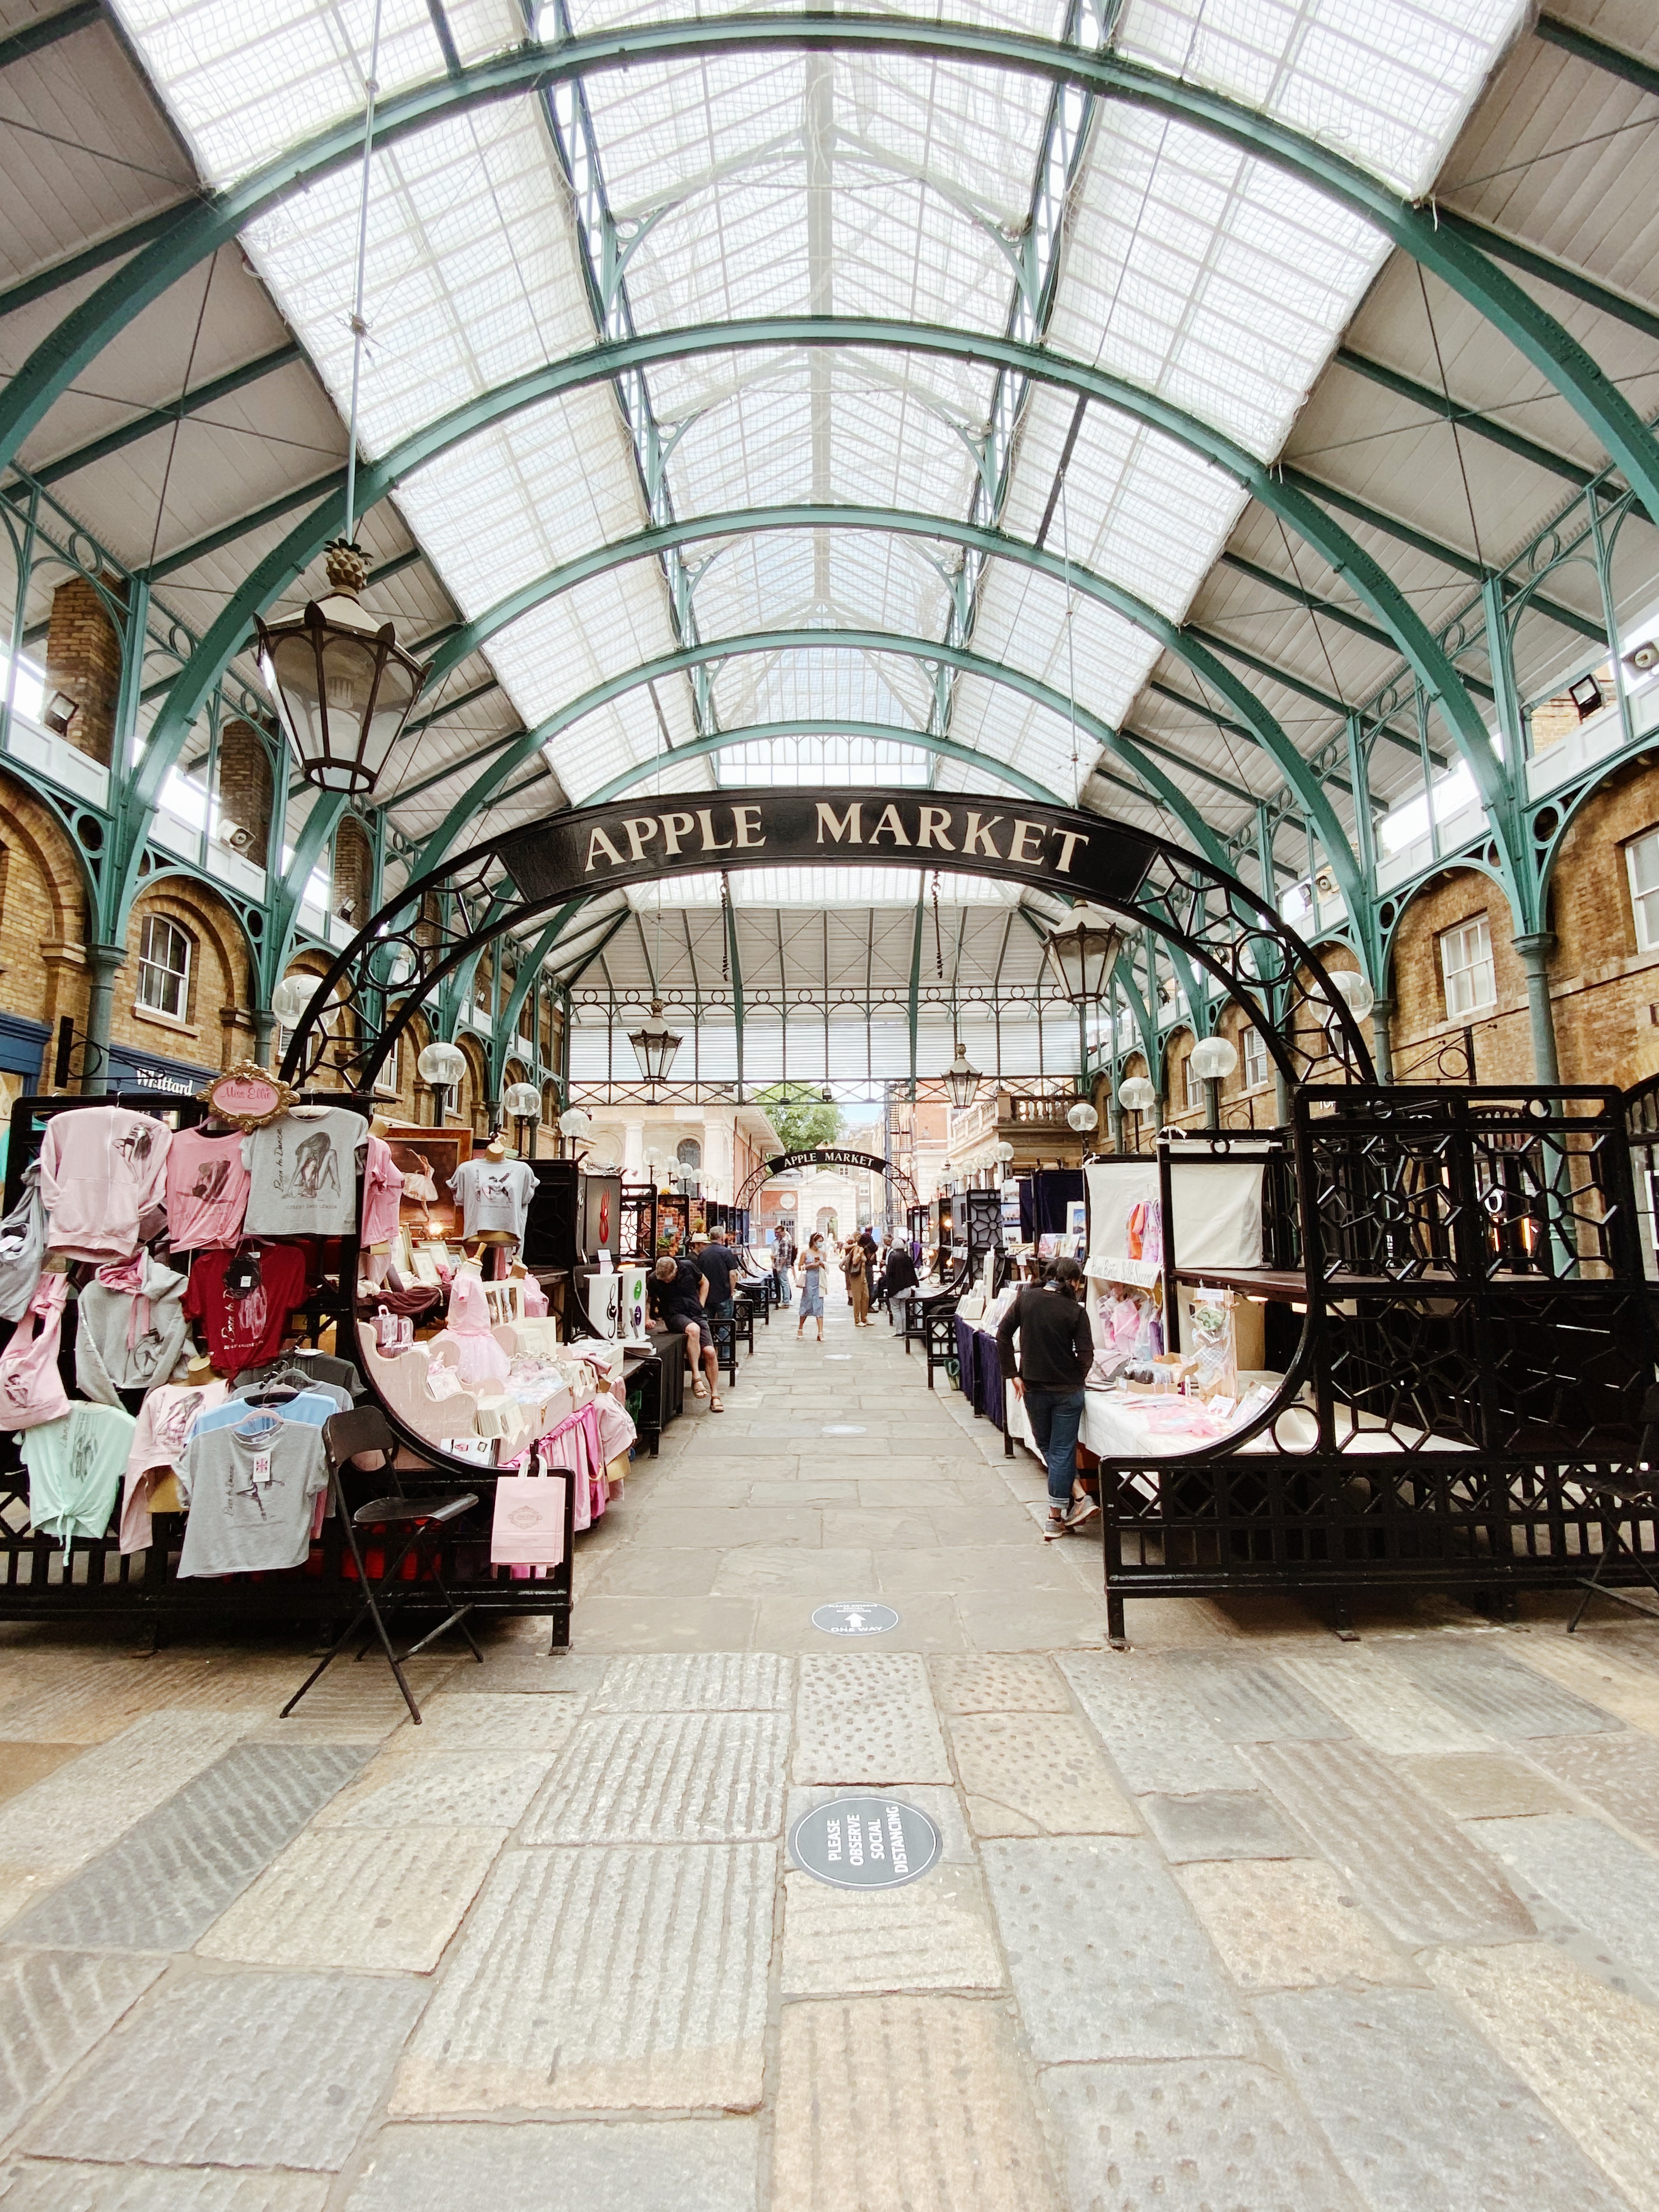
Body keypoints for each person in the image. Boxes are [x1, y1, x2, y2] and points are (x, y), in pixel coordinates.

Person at [996, 1254, 1096, 1534]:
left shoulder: (1027, 1299)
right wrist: (1076, 1376)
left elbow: (1002, 1335)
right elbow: (1086, 1354)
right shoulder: (1076, 1311)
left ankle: (1056, 1516)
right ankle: (1078, 1497)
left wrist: (1013, 1373)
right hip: (1067, 1390)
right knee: (1061, 1449)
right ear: (1074, 1281)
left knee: (1049, 1447)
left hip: (1033, 1386)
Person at [651, 1252, 723, 1410]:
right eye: (664, 1281)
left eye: (669, 1279)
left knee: (710, 1352)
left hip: (695, 1312)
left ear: (676, 1270)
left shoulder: (688, 1267)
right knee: (693, 1329)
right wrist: (645, 1319)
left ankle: (715, 1395)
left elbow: (705, 1282)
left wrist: (701, 1304)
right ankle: (696, 1377)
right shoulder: (654, 1279)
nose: (667, 1282)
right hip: (674, 1315)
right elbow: (646, 1296)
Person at [692, 1230, 740, 1322]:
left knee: (708, 1324)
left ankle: (710, 1338)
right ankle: (722, 1338)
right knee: (726, 1325)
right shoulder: (726, 1252)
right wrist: (731, 1291)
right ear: (722, 1238)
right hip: (723, 1294)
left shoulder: (703, 1254)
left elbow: (698, 1275)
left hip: (707, 1296)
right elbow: (733, 1275)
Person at [795, 1233, 828, 1343]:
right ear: (814, 1242)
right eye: (819, 1241)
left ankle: (820, 1331)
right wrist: (809, 1266)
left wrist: (822, 1264)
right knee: (806, 1304)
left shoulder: (823, 1253)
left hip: (819, 1282)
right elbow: (800, 1267)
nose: (821, 1244)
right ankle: (800, 1328)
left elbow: (827, 1266)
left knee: (819, 1306)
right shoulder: (805, 1253)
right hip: (809, 1282)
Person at [846, 1233, 871, 1326]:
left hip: (863, 1275)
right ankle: (857, 1320)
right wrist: (860, 1253)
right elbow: (854, 1261)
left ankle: (864, 1318)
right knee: (857, 1298)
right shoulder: (857, 1248)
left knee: (866, 1296)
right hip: (856, 1276)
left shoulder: (864, 1249)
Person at [774, 1227, 795, 1307]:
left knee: (784, 1282)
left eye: (778, 1232)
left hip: (783, 1265)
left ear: (783, 1232)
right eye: (775, 1233)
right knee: (785, 1281)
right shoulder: (783, 1240)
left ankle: (786, 1301)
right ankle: (787, 1299)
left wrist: (779, 1266)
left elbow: (784, 1256)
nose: (777, 1235)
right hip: (784, 1265)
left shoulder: (784, 1241)